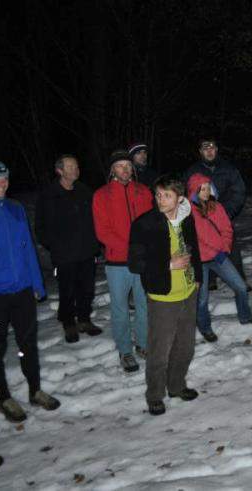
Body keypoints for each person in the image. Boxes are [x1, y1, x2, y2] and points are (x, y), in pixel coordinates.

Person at [0, 160, 61, 423]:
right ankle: (4, 397)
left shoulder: (15, 208)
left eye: (4, 178)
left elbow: (28, 249)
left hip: (22, 290)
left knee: (28, 343)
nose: (2, 183)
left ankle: (35, 391)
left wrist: (37, 283)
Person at [128, 176, 203, 416]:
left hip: (188, 292)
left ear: (179, 198)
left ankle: (176, 386)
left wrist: (198, 277)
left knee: (185, 348)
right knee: (159, 351)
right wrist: (168, 265)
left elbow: (195, 248)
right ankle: (155, 396)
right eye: (158, 195)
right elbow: (135, 263)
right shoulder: (145, 224)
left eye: (167, 195)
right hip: (163, 297)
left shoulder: (187, 217)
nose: (160, 200)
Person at [93, 150, 153, 372]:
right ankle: (125, 350)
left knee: (144, 304)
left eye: (128, 165)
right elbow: (103, 232)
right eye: (120, 165)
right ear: (112, 170)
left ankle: (143, 344)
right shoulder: (102, 195)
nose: (125, 169)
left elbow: (151, 222)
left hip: (143, 261)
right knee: (120, 307)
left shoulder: (143, 191)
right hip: (117, 262)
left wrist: (147, 247)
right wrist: (130, 248)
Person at [187, 173, 252, 342]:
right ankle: (205, 327)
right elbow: (195, 239)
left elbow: (227, 229)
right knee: (202, 298)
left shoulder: (217, 206)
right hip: (199, 261)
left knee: (241, 287)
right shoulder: (188, 212)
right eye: (202, 189)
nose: (206, 192)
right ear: (194, 191)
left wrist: (225, 247)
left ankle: (245, 316)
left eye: (208, 188)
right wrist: (214, 249)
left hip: (218, 256)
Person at [35, 154, 103, 343]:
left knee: (87, 289)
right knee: (67, 290)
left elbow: (95, 218)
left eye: (77, 166)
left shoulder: (84, 191)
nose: (76, 170)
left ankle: (84, 320)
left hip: (86, 251)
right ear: (60, 170)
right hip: (64, 255)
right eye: (71, 167)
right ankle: (68, 323)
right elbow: (40, 227)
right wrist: (55, 245)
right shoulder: (49, 195)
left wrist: (94, 242)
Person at [185, 138, 248, 283]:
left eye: (212, 148)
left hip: (224, 213)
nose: (209, 151)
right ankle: (210, 280)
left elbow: (239, 191)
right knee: (204, 245)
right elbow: (187, 194)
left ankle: (239, 279)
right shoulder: (193, 171)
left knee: (231, 245)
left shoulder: (228, 169)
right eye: (205, 148)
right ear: (200, 151)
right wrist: (198, 214)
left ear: (217, 150)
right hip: (201, 216)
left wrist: (227, 212)